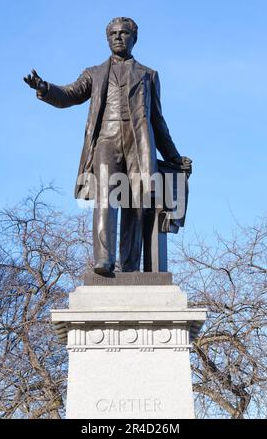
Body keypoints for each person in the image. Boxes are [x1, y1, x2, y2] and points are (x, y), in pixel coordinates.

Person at [24, 17, 191, 275]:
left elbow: (158, 121)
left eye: (124, 33)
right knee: (107, 196)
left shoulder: (149, 75)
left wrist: (174, 156)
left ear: (134, 38)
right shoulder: (95, 73)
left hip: (139, 143)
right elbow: (70, 94)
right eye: (113, 33)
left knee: (136, 202)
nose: (118, 37)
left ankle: (129, 266)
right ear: (107, 38)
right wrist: (45, 89)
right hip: (107, 139)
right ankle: (103, 259)